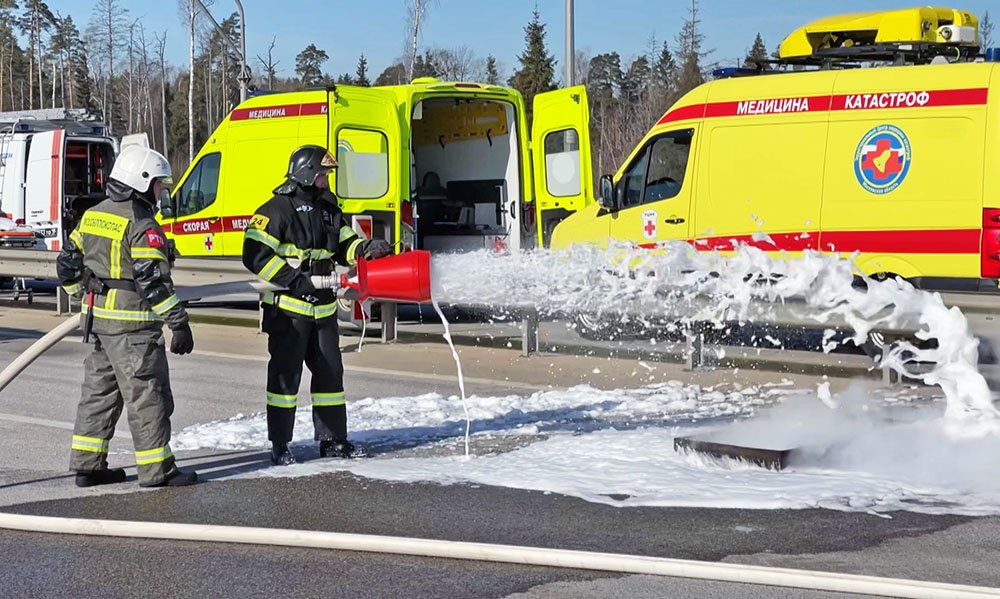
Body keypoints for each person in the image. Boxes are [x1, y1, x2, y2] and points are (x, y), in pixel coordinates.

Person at [56, 145, 198, 488]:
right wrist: (178, 324)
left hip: (101, 323)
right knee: (147, 396)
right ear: (142, 181)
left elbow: (67, 266)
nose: (162, 191)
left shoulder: (93, 215)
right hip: (133, 328)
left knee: (99, 394)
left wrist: (82, 297)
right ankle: (157, 471)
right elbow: (154, 284)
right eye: (159, 184)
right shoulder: (141, 223)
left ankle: (88, 466)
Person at [242, 145, 391, 466]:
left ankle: (333, 440)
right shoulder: (275, 210)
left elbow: (344, 244)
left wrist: (365, 248)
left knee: (330, 377)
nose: (326, 181)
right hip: (288, 311)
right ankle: (280, 444)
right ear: (307, 174)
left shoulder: (328, 207)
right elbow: (254, 254)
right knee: (285, 379)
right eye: (323, 175)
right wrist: (294, 280)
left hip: (323, 310)